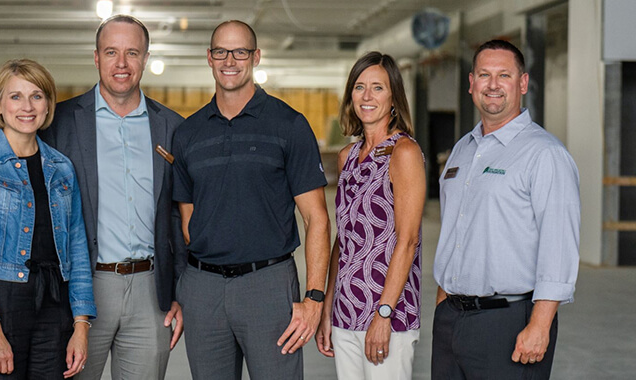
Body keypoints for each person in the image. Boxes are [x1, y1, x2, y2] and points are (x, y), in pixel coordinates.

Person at [171, 20, 330, 380]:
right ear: (209, 58)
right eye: (221, 52)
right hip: (203, 289)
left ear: (255, 57)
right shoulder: (188, 133)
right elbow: (187, 220)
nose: (230, 60)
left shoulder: (289, 125)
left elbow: (317, 219)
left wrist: (314, 298)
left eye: (240, 51)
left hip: (268, 285)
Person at [38, 15, 185, 380]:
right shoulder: (60, 123)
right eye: (111, 52)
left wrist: (181, 290)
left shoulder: (172, 126)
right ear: (96, 57)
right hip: (83, 290)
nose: (121, 63)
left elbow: (177, 215)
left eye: (132, 52)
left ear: (146, 58)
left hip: (151, 292)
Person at [432, 39, 580, 379]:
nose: (493, 85)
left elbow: (559, 245)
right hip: (452, 318)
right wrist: (444, 303)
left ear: (523, 83)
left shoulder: (544, 154)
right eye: (484, 75)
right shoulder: (462, 150)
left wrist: (540, 325)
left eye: (504, 75)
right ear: (471, 83)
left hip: (509, 321)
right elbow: (454, 230)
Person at [0, 59, 96, 379]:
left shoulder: (62, 168)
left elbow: (76, 248)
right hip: (0, 306)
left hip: (54, 306)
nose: (27, 106)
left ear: (47, 104)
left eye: (36, 95)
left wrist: (81, 325)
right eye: (15, 96)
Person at [315, 52, 425, 379]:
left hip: (387, 314)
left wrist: (384, 314)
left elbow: (408, 240)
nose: (367, 96)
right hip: (346, 311)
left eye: (377, 88)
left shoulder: (404, 152)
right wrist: (327, 307)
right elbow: (343, 240)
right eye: (359, 87)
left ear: (393, 97)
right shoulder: (347, 156)